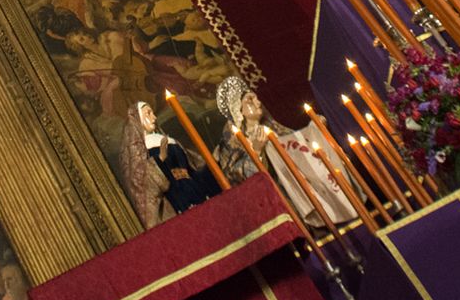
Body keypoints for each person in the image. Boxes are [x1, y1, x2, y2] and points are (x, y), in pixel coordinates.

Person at [212, 75, 357, 227]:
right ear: (237, 108)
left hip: (306, 185)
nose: (258, 102)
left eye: (256, 98)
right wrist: (256, 151)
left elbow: (298, 146)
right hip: (282, 199)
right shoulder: (233, 142)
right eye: (250, 100)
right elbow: (237, 180)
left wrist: (314, 130)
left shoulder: (272, 127)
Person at [121, 101, 220, 226]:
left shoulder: (170, 141)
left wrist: (213, 162)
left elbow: (192, 170)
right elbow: (141, 186)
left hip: (196, 193)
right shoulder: (139, 152)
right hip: (174, 203)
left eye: (153, 113)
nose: (154, 117)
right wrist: (159, 160)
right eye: (148, 113)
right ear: (137, 120)